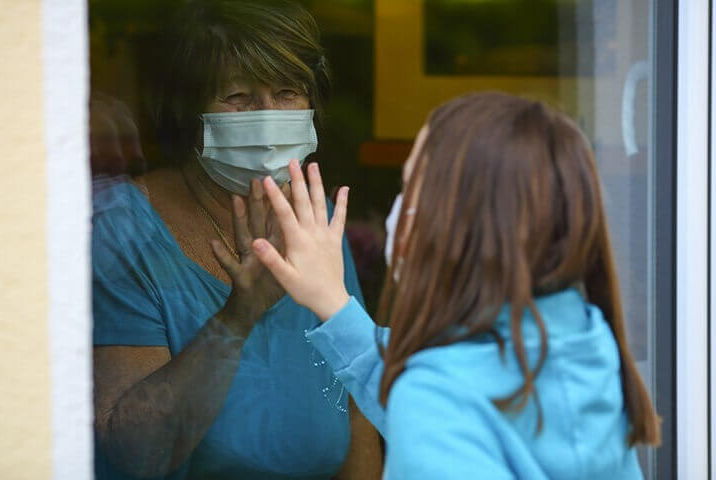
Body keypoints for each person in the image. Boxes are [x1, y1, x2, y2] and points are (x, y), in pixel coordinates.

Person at [251, 92, 662, 479]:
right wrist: (335, 305)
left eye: (411, 187)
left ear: (461, 228)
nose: (399, 209)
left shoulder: (434, 402)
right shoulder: (584, 345)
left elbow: (438, 406)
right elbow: (453, 396)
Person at [91, 1, 381, 479]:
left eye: (287, 92)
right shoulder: (121, 229)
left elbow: (356, 403)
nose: (267, 118)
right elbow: (135, 456)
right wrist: (238, 315)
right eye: (239, 96)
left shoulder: (316, 216)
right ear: (189, 110)